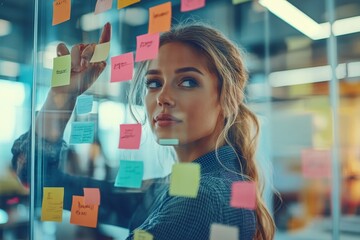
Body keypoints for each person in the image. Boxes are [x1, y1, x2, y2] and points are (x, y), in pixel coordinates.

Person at [11, 21, 275, 239]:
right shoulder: (184, 185)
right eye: (154, 83)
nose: (162, 97)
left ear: (227, 100)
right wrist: (62, 95)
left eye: (187, 81)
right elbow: (42, 181)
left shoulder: (201, 197)